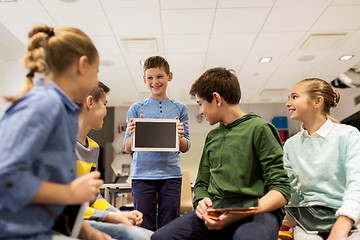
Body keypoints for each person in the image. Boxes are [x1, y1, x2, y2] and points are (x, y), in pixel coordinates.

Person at [151, 67, 291, 240]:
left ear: (216, 98)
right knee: (161, 237)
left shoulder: (260, 129)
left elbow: (281, 190)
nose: (200, 111)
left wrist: (244, 212)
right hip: (218, 210)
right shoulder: (213, 136)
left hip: (257, 212)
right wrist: (201, 201)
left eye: (200, 103)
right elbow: (202, 184)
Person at [0, 25, 112, 240]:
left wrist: (88, 233)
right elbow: (7, 177)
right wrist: (69, 193)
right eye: (96, 73)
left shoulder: (62, 111)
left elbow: (48, 197)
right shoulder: (44, 104)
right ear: (82, 65)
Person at [282, 78, 360, 240]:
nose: (288, 103)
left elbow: (357, 183)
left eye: (294, 97)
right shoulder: (291, 145)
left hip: (349, 216)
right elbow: (293, 191)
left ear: (317, 101)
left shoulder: (349, 135)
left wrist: (342, 226)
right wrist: (286, 222)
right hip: (309, 219)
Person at [76, 81, 152, 239]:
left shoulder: (93, 147)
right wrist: (112, 217)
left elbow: (94, 197)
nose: (106, 111)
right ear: (90, 102)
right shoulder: (60, 144)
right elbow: (63, 204)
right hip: (74, 221)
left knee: (151, 235)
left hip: (88, 217)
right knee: (138, 237)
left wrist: (119, 214)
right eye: (104, 104)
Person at [123, 56, 191, 231]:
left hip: (171, 175)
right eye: (150, 78)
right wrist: (134, 133)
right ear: (144, 79)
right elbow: (127, 147)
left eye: (159, 76)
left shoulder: (180, 108)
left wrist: (180, 136)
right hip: (142, 176)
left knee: (170, 226)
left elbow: (185, 146)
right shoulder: (136, 109)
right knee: (143, 226)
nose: (155, 82)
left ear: (170, 76)